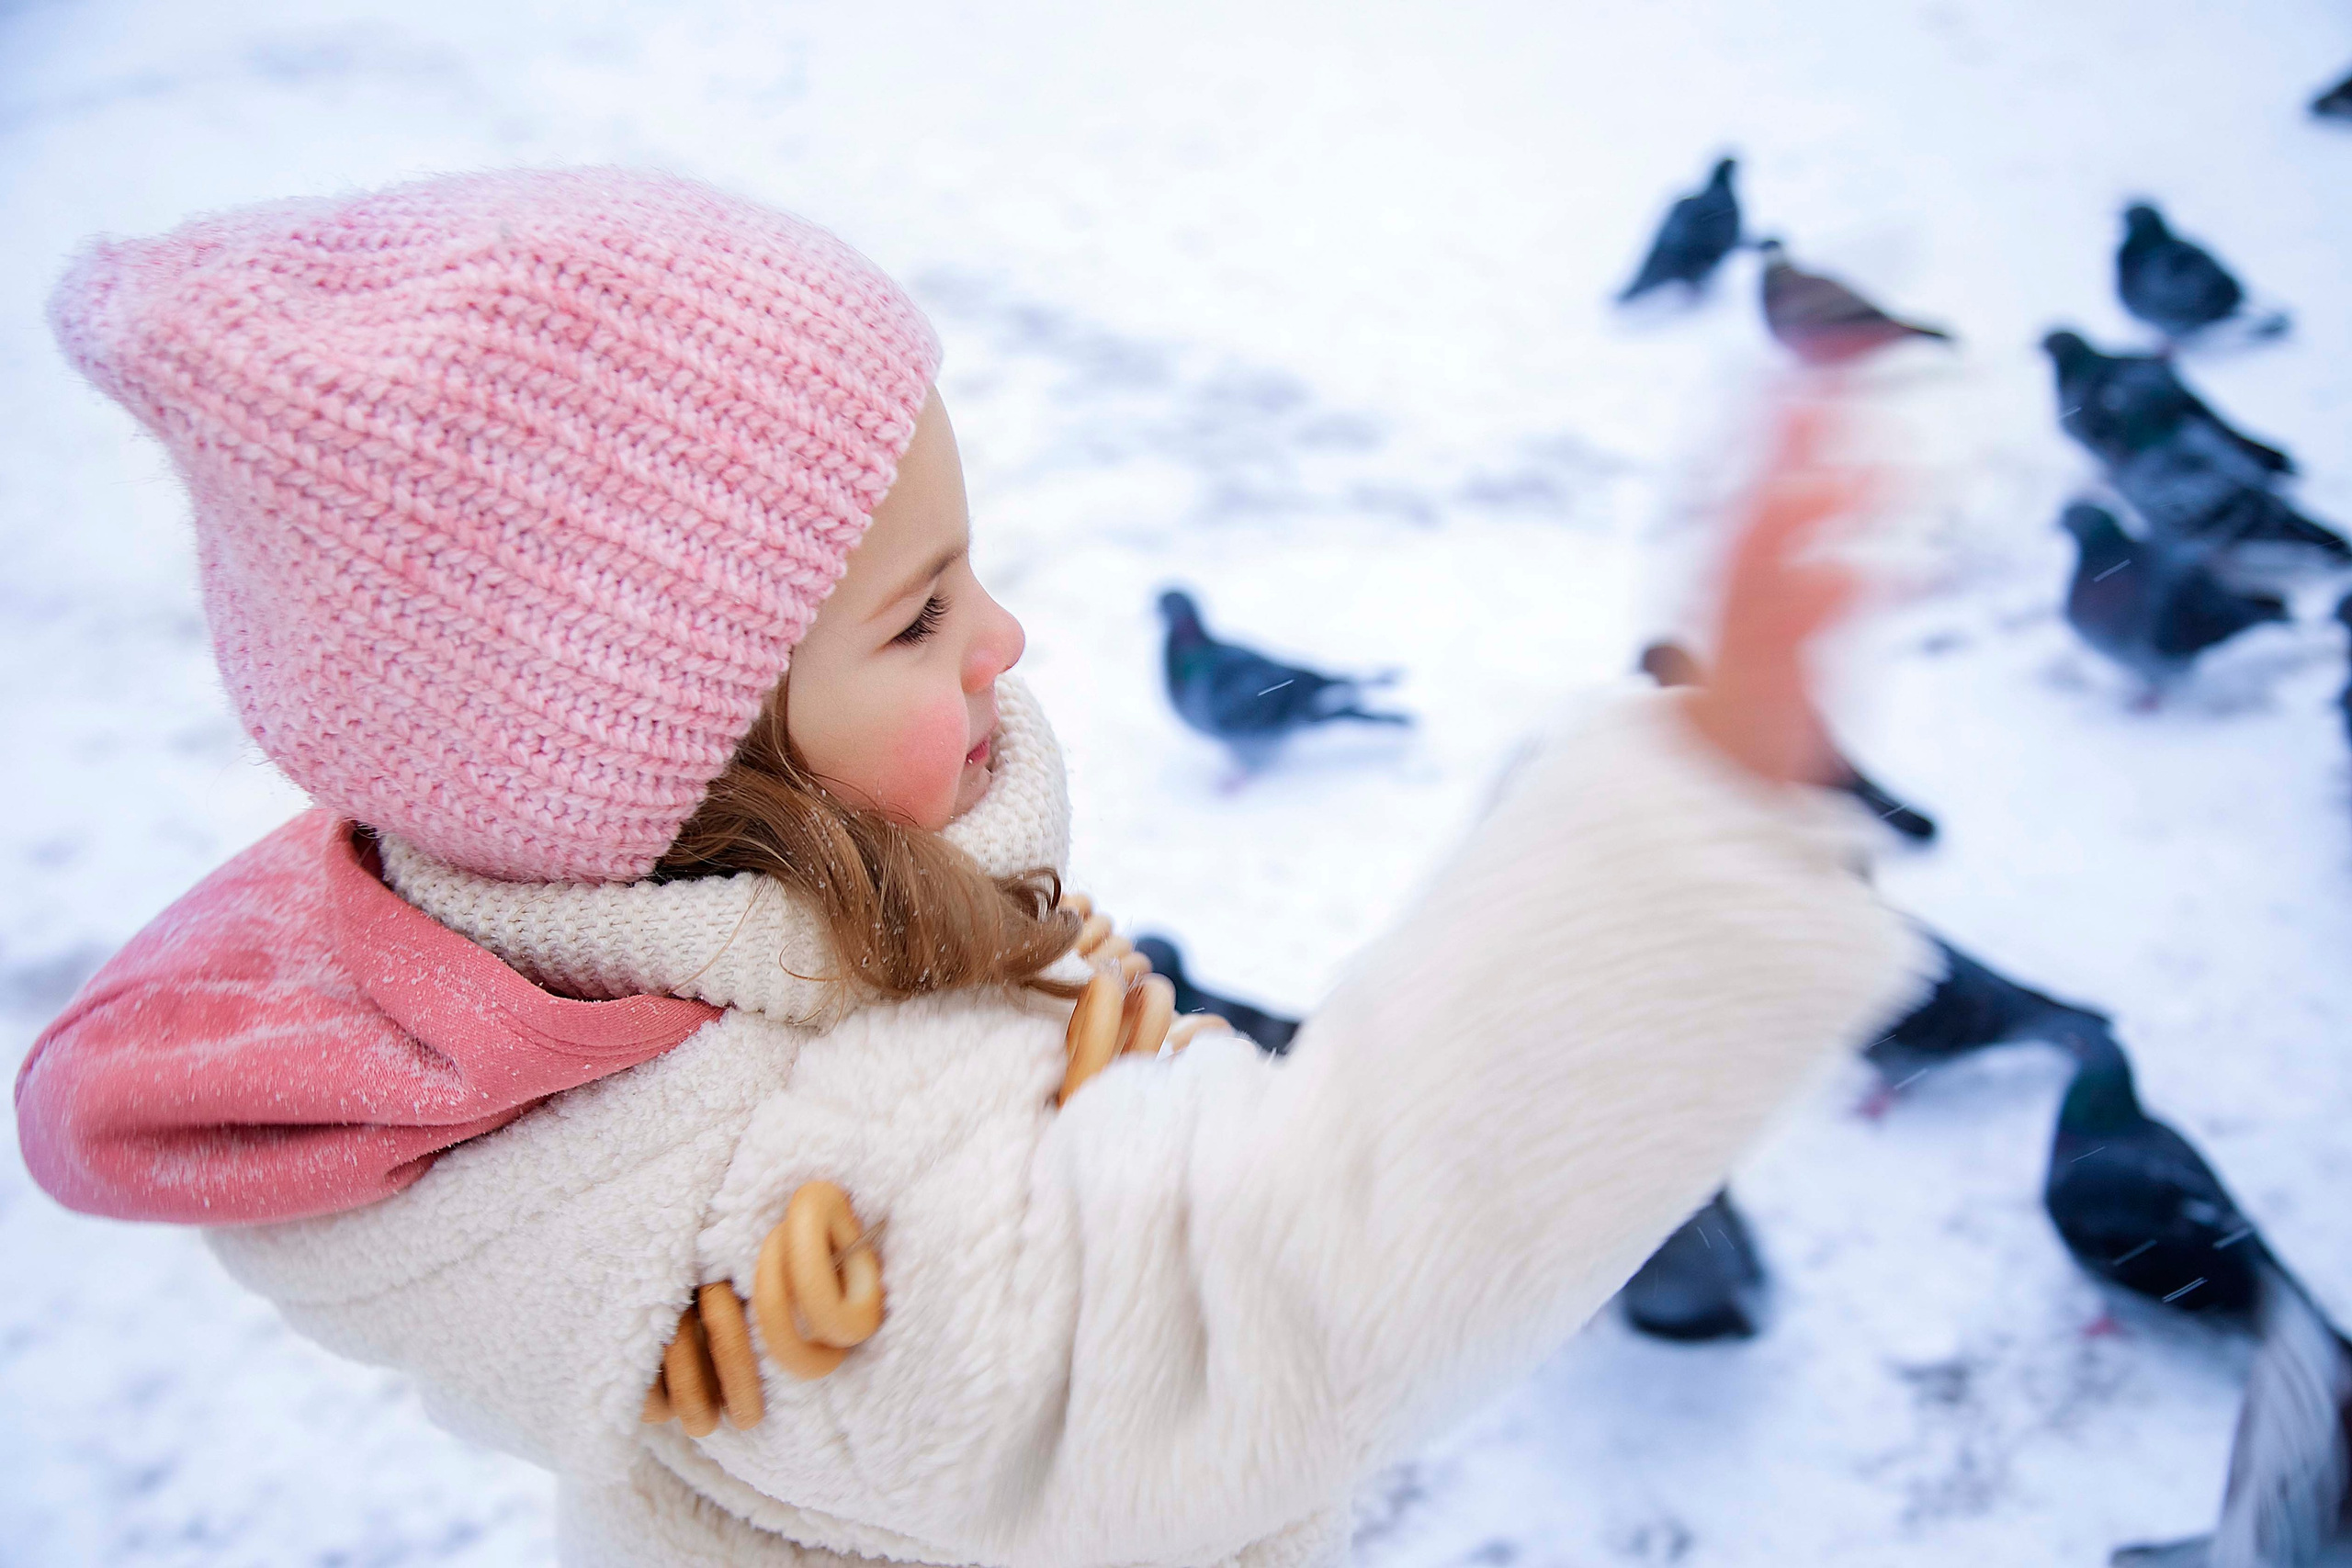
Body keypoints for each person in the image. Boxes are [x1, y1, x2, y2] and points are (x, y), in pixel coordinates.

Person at [17, 167, 1924, 1567]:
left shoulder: (730, 924)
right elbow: (1226, 1316)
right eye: (921, 615)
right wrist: (1697, 816)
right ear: (681, 763)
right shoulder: (760, 1196)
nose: (1002, 640)